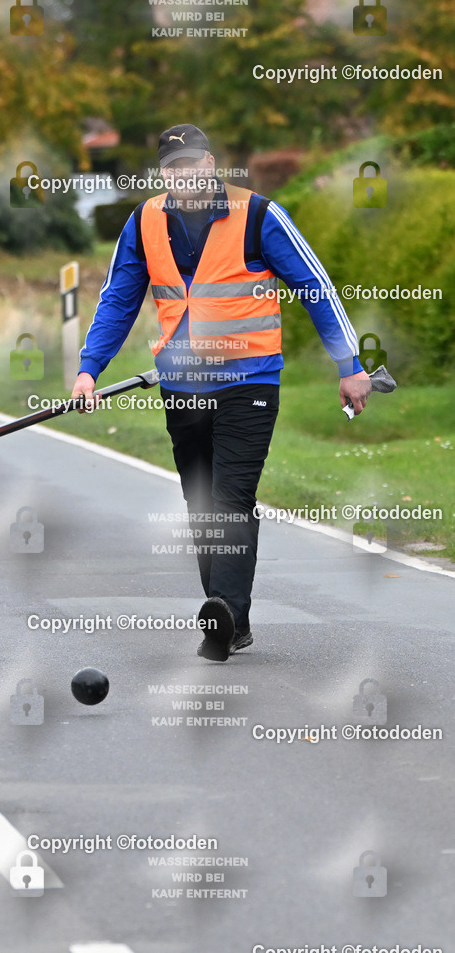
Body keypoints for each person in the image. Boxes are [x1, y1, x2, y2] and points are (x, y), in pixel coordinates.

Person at [71, 124, 372, 662]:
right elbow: (118, 299)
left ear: (210, 165)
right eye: (172, 167)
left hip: (248, 381)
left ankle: (221, 617)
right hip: (181, 384)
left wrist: (350, 365)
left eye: (191, 163)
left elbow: (315, 286)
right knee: (201, 503)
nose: (183, 174)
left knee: (231, 498)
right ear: (162, 173)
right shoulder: (143, 222)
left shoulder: (258, 214)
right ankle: (233, 616)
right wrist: (89, 369)